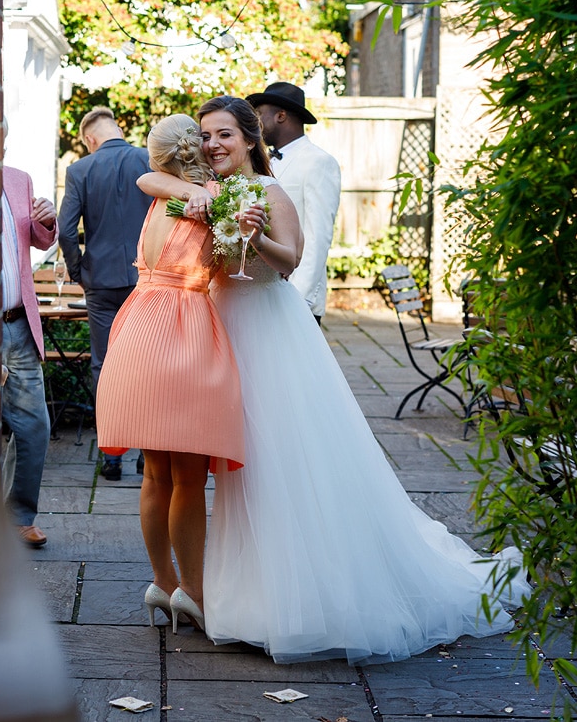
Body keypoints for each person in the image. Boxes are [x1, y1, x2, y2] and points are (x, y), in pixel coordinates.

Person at [137, 96, 529, 665]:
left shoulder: (270, 193)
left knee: (277, 462)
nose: (212, 145)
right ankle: (224, 586)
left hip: (267, 333)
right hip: (214, 332)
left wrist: (252, 237)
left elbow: (290, 261)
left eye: (224, 134)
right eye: (204, 136)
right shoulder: (204, 194)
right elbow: (159, 191)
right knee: (224, 470)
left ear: (251, 140)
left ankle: (291, 597)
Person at [95, 113, 246, 635]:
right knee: (188, 478)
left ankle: (162, 580)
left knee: (155, 473)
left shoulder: (162, 197)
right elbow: (228, 270)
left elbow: (146, 177)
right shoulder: (208, 202)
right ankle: (195, 593)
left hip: (137, 324)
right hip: (182, 331)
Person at [57, 107, 154, 481]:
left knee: (105, 364)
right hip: (145, 280)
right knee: (147, 363)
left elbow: (66, 231)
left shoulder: (79, 170)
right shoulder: (147, 159)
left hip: (100, 283)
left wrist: (80, 269)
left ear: (89, 139)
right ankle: (149, 451)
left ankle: (111, 456)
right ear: (116, 129)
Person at [0, 120, 59, 549]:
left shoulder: (17, 180)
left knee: (35, 425)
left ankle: (21, 517)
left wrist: (48, 221)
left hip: (18, 324)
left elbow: (37, 241)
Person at [246, 82, 342, 325]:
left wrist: (300, 298)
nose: (255, 123)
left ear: (281, 116)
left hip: (296, 294)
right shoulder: (263, 162)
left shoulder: (318, 162)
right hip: (264, 290)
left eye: (259, 115)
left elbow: (318, 234)